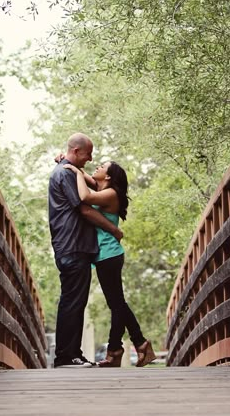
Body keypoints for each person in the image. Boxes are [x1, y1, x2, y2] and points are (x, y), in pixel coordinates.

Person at [64, 160, 156, 368]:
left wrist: (75, 172)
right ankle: (132, 346)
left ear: (108, 176)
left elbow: (85, 197)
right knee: (117, 304)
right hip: (104, 255)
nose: (96, 167)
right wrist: (69, 164)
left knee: (117, 304)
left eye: (102, 166)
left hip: (109, 255)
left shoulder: (111, 193)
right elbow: (88, 179)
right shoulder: (102, 188)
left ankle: (125, 348)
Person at [49, 133, 123, 368]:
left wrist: (68, 164)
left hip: (73, 246)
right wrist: (114, 230)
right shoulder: (66, 173)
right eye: (88, 154)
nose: (91, 159)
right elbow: (85, 209)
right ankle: (66, 356)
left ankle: (72, 353)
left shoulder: (67, 170)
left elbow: (90, 186)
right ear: (77, 151)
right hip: (73, 246)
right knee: (72, 301)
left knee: (75, 300)